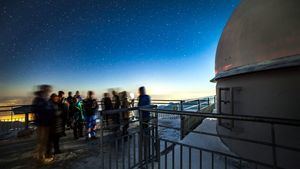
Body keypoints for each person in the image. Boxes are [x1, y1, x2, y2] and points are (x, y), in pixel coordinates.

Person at [31, 84, 53, 162]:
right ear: (43, 90)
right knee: (41, 140)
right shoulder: (38, 99)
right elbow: (34, 110)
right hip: (41, 123)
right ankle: (40, 156)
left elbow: (50, 110)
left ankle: (38, 153)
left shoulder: (47, 99)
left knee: (45, 140)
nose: (48, 91)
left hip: (47, 123)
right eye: (47, 89)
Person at [137, 86, 151, 161]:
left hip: (144, 115)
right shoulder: (145, 97)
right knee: (144, 125)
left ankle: (145, 137)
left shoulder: (144, 97)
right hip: (144, 115)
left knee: (144, 125)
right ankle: (144, 136)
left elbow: (141, 106)